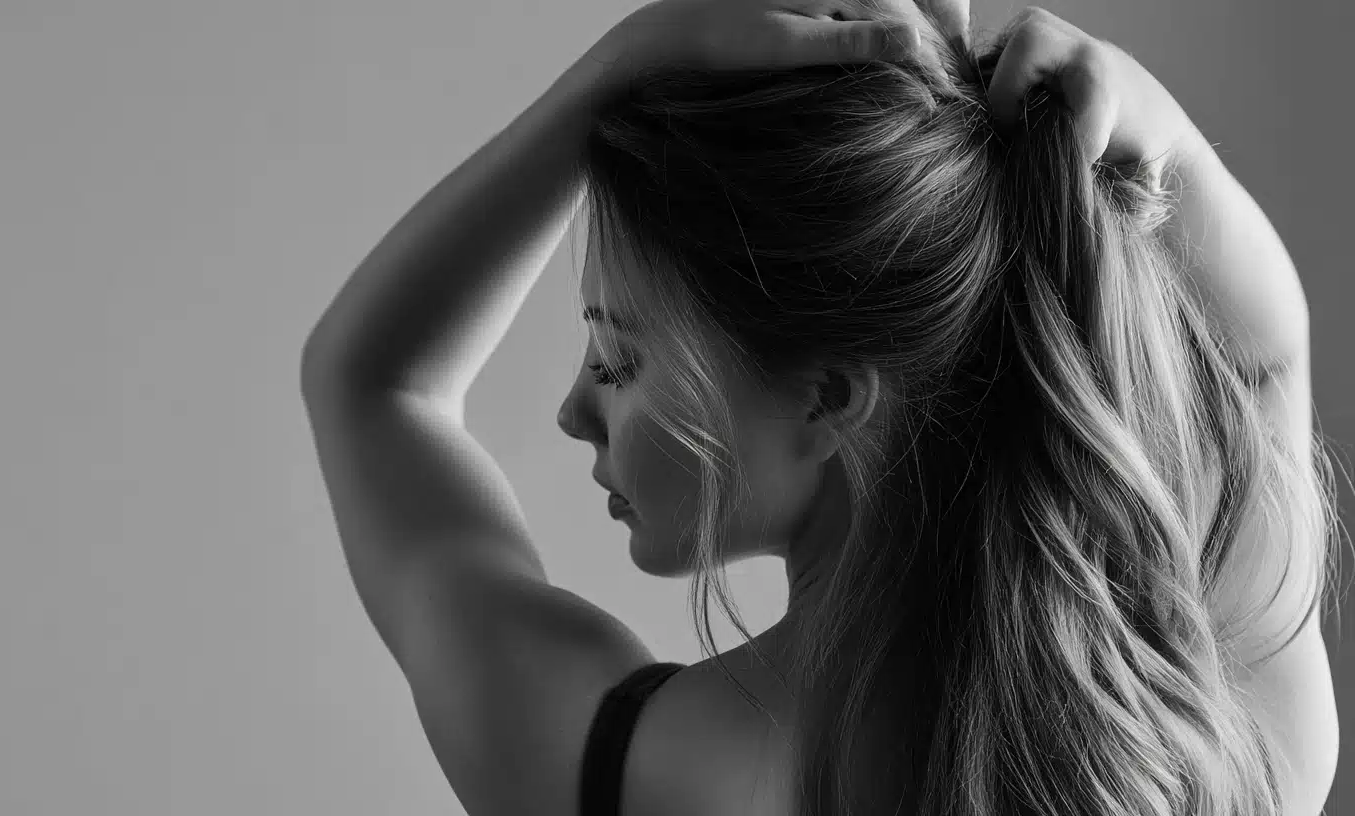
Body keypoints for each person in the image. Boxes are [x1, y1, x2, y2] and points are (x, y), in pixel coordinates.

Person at [299, 1, 1342, 814]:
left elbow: (373, 383)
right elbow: (1259, 363)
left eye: (618, 361)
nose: (576, 411)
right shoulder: (1217, 754)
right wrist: (1167, 150)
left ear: (828, 399)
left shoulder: (628, 771)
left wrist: (618, 67)